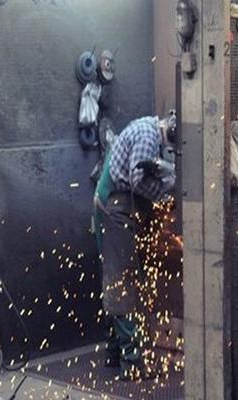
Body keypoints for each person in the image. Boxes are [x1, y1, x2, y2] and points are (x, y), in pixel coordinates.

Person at [93, 113, 176, 380]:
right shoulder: (148, 135)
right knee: (122, 282)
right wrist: (168, 188)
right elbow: (138, 180)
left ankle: (114, 350)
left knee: (116, 279)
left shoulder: (148, 130)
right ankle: (133, 362)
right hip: (115, 210)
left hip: (116, 208)